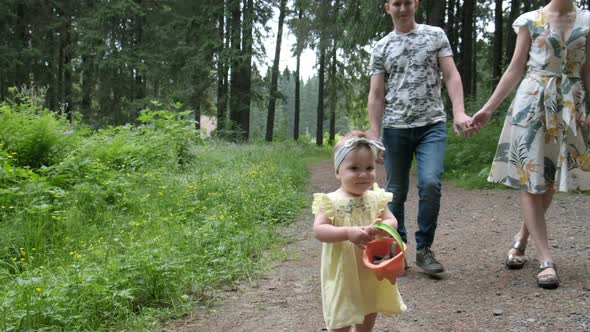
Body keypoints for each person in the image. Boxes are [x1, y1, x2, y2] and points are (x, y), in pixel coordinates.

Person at [470, 0, 590, 289]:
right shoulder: (530, 20)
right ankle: (546, 259)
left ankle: (522, 239)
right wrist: (488, 108)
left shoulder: (587, 21)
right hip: (533, 103)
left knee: (547, 181)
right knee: (530, 178)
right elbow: (514, 69)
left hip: (570, 105)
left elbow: (587, 71)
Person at [367, 0, 472, 275]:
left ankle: (424, 249)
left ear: (416, 4)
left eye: (407, 2)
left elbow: (451, 75)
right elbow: (377, 94)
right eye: (396, 4)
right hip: (395, 128)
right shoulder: (381, 46)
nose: (402, 9)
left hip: (431, 125)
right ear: (387, 7)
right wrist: (374, 135)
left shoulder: (435, 35)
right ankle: (397, 248)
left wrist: (459, 112)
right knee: (396, 191)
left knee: (429, 184)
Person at [312, 131, 406, 332]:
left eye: (369, 168)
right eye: (354, 168)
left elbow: (391, 219)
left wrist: (385, 227)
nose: (363, 174)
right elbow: (319, 230)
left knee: (369, 305)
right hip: (342, 271)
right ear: (338, 171)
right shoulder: (330, 201)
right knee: (341, 313)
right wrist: (347, 232)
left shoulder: (376, 198)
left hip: (370, 269)